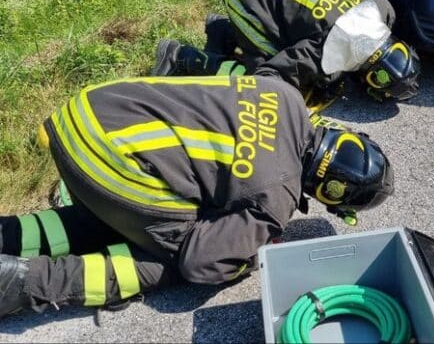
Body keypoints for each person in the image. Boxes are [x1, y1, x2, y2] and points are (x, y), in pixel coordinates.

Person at [0, 74, 393, 317]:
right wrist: (248, 258)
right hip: (105, 160)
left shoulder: (286, 95)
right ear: (330, 193)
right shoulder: (278, 199)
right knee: (169, 260)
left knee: (131, 219)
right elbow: (201, 265)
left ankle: (10, 235)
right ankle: (23, 285)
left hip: (87, 112)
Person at [151, 0, 421, 105]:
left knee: (297, 49)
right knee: (263, 87)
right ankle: (180, 57)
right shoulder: (325, 53)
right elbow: (271, 76)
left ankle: (223, 30)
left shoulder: (384, 9)